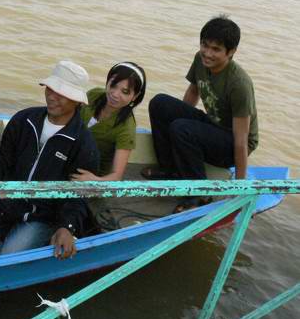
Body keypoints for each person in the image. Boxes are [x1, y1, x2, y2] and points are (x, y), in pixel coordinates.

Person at [0, 60, 100, 259]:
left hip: (42, 217)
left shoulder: (83, 144)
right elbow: (2, 160)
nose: (52, 97)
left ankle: (15, 241)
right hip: (7, 199)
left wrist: (66, 227)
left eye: (62, 94)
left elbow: (77, 196)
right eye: (50, 89)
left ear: (77, 101)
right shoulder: (24, 120)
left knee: (8, 257)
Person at [144, 16, 258, 212]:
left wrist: (239, 184)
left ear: (231, 52)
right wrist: (175, 129)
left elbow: (242, 139)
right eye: (205, 45)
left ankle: (200, 193)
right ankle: (170, 170)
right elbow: (193, 91)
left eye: (216, 49)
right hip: (213, 126)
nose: (207, 53)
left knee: (182, 129)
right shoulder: (200, 59)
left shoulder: (239, 84)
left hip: (233, 143)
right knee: (160, 103)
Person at [72, 62, 147, 181]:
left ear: (135, 96)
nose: (115, 94)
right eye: (113, 85)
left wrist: (94, 180)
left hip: (90, 172)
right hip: (69, 154)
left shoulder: (126, 127)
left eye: (125, 91)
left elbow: (116, 176)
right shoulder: (93, 94)